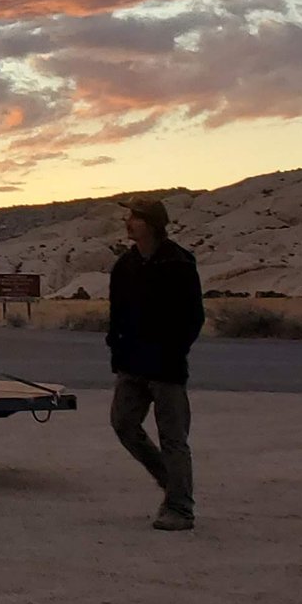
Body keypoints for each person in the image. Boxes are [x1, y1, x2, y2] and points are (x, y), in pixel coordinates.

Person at [108, 196, 203, 531]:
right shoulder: (125, 266)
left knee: (173, 437)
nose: (128, 222)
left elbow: (193, 317)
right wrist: (117, 351)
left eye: (135, 217)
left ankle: (180, 508)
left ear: (151, 223)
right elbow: (116, 314)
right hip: (132, 364)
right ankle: (169, 479)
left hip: (166, 368)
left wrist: (174, 351)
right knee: (123, 423)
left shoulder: (178, 263)